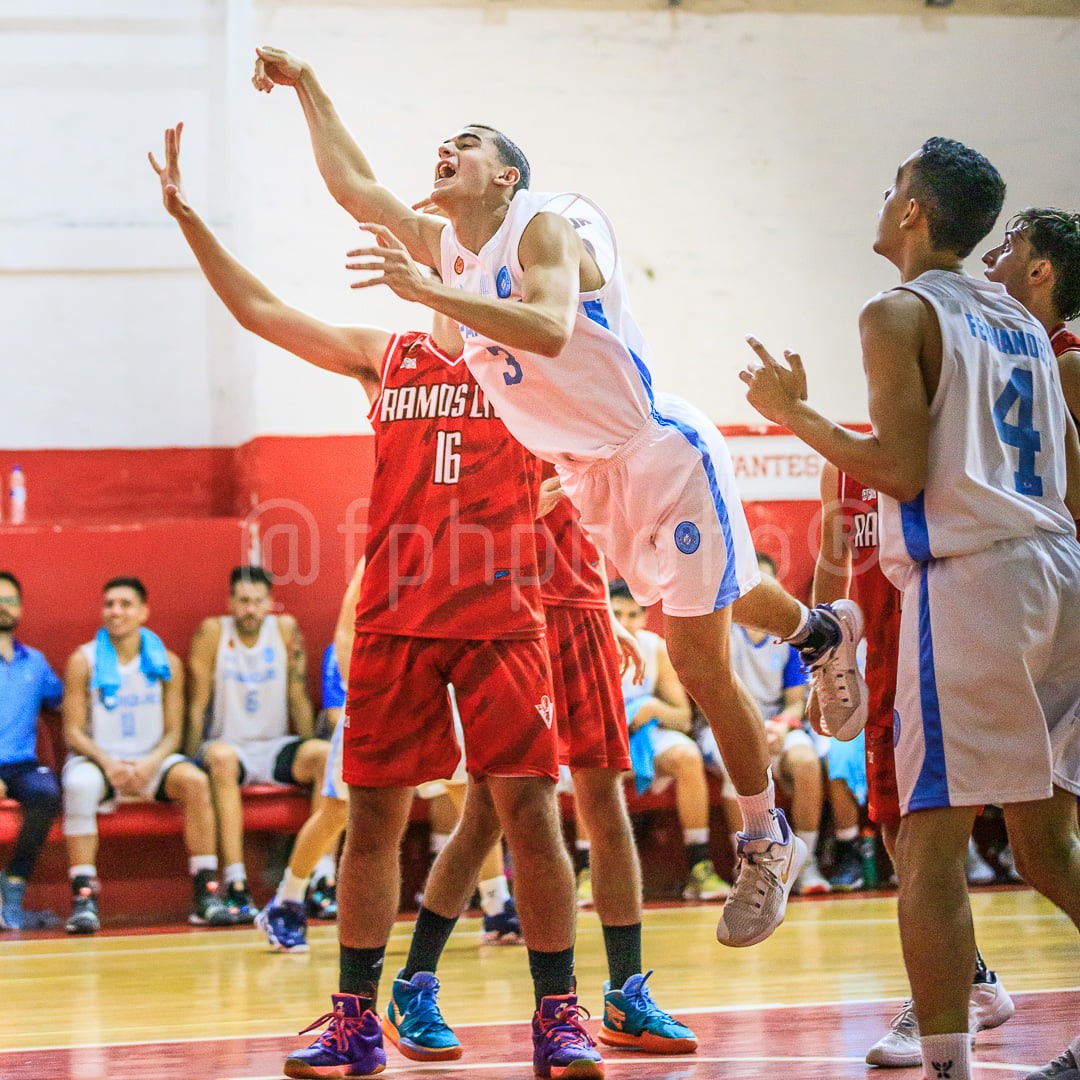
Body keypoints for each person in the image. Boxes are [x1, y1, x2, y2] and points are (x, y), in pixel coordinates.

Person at [252, 46, 868, 956]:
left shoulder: (544, 224)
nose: (444, 149)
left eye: (465, 142)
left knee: (695, 655)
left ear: (504, 173)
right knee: (702, 604)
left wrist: (430, 290)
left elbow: (546, 327)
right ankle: (822, 633)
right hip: (585, 474)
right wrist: (309, 87)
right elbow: (357, 188)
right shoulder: (452, 246)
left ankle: (764, 838)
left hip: (656, 450)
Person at [151, 122, 602, 1080]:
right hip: (395, 617)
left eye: (467, 146)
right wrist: (190, 220)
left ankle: (560, 1014)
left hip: (500, 616)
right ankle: (355, 1017)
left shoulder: (527, 358)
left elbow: (584, 327)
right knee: (374, 820)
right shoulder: (385, 355)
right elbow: (263, 311)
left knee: (529, 810)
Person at [742, 136, 1080, 1080]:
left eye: (893, 187)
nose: (884, 198)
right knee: (1047, 842)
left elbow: (896, 469)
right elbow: (1075, 484)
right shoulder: (1018, 320)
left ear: (912, 213)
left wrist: (792, 413)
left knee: (926, 840)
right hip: (1059, 572)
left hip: (971, 586)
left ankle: (944, 1066)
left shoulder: (896, 310)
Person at [380, 491, 696, 1068]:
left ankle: (626, 996)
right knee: (487, 813)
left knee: (607, 798)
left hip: (584, 613)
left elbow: (584, 514)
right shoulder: (490, 408)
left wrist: (599, 606)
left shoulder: (583, 415)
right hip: (510, 617)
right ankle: (412, 983)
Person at [814, 460, 1014, 1067]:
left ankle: (941, 1003)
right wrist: (822, 655)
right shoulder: (840, 462)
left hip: (943, 649)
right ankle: (972, 980)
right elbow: (832, 559)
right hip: (880, 665)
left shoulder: (950, 441)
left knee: (936, 835)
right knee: (896, 826)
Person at [61, 576, 232, 933]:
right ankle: (83, 898)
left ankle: (207, 892)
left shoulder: (165, 661)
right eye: (109, 604)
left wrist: (150, 764)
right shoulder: (83, 660)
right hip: (99, 761)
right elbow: (73, 732)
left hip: (152, 760)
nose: (115, 611)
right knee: (77, 785)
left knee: (196, 782)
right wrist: (108, 762)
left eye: (125, 604)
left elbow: (174, 732)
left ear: (143, 612)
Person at [188, 563, 329, 923]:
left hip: (273, 746)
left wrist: (307, 745)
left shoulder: (284, 630)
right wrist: (188, 761)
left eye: (257, 601)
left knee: (326, 757)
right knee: (219, 758)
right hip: (227, 745)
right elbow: (197, 704)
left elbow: (298, 697)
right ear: (230, 602)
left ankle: (321, 877)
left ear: (269, 604)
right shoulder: (212, 633)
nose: (249, 608)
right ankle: (236, 882)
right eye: (242, 600)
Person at [607, 578, 728, 903]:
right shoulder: (591, 645)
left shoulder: (655, 648)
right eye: (616, 614)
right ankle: (589, 875)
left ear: (645, 618)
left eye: (633, 615)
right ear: (604, 614)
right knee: (589, 763)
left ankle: (700, 865)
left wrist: (652, 707)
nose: (625, 622)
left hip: (643, 736)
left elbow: (682, 716)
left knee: (687, 756)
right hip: (602, 737)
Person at [726, 553, 831, 896]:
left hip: (778, 724)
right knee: (735, 765)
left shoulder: (789, 631)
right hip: (730, 723)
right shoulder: (719, 628)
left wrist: (782, 726)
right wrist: (753, 732)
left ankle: (807, 863)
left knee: (806, 763)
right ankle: (749, 869)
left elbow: (794, 701)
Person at [0, 571, 63, 930]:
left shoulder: (36, 663)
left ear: (20, 608)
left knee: (47, 793)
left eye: (9, 599)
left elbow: (64, 700)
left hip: (22, 766)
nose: (3, 607)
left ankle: (14, 882)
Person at [982, 207, 1080, 428]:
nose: (987, 257)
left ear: (1038, 271)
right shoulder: (994, 350)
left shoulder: (1068, 362)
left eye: (1007, 247)